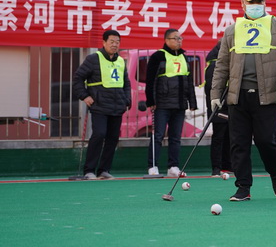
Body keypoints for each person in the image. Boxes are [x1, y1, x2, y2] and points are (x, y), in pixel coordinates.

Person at [210, 0, 276, 202]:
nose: (255, 5)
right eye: (251, 2)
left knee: (266, 141)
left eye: (259, 2)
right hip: (238, 96)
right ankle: (243, 187)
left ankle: (275, 172)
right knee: (238, 143)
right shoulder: (231, 31)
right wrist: (215, 93)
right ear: (243, 4)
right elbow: (222, 65)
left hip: (266, 95)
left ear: (265, 3)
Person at [73, 30, 131, 180]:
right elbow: (78, 78)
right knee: (99, 134)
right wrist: (84, 96)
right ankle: (89, 170)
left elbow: (126, 83)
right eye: (111, 41)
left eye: (117, 42)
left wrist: (127, 100)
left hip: (117, 106)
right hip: (99, 105)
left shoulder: (120, 61)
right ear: (104, 42)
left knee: (113, 138)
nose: (115, 45)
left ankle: (104, 170)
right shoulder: (93, 58)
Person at [145, 28, 198, 178]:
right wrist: (151, 100)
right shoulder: (158, 56)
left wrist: (192, 102)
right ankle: (153, 166)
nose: (179, 41)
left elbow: (189, 81)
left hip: (179, 104)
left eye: (180, 38)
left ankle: (173, 166)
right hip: (162, 104)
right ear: (167, 40)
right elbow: (150, 80)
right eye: (175, 38)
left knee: (175, 137)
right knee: (158, 135)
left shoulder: (184, 57)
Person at [204, 39, 232, 177]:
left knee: (230, 137)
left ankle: (228, 165)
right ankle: (216, 167)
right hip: (219, 107)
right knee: (219, 138)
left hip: (230, 106)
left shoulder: (229, 63)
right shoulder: (214, 65)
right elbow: (212, 88)